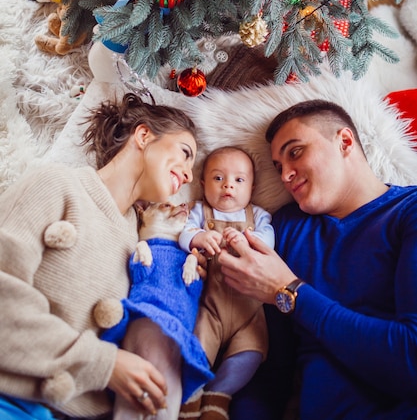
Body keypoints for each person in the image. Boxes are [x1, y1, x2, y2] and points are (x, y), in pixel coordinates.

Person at [0, 92, 203, 420]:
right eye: (184, 153)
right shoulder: (57, 185)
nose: (189, 176)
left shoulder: (141, 243)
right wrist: (104, 364)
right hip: (13, 400)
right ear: (143, 135)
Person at [217, 99, 417, 420]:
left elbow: (412, 361)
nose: (285, 175)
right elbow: (273, 370)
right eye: (278, 167)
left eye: (295, 152)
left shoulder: (409, 212)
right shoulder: (284, 228)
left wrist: (290, 292)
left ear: (345, 142)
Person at [178, 146, 274, 420]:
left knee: (252, 353)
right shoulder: (199, 211)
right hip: (210, 307)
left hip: (249, 312)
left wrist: (248, 241)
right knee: (196, 348)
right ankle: (190, 393)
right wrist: (197, 239)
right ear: (203, 183)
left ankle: (219, 394)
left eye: (239, 180)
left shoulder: (259, 216)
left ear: (253, 187)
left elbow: (269, 242)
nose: (228, 185)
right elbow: (183, 233)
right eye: (218, 178)